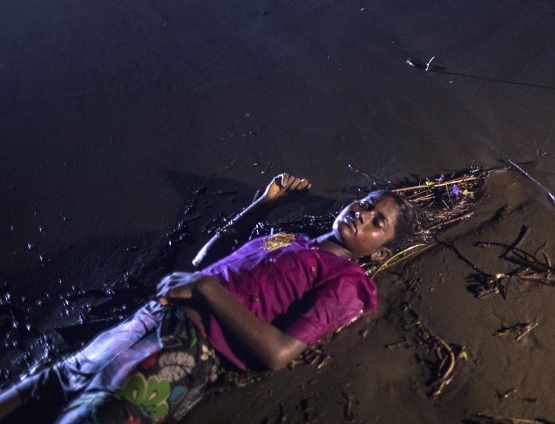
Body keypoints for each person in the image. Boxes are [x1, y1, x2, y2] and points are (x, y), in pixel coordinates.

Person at [0, 173, 415, 423]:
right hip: (151, 318)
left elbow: (277, 352)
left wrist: (206, 289)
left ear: (380, 251)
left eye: (377, 223)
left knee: (98, 414)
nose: (362, 215)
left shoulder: (346, 281)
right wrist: (264, 204)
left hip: (191, 347)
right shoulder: (292, 239)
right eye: (365, 204)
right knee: (47, 384)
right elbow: (207, 262)